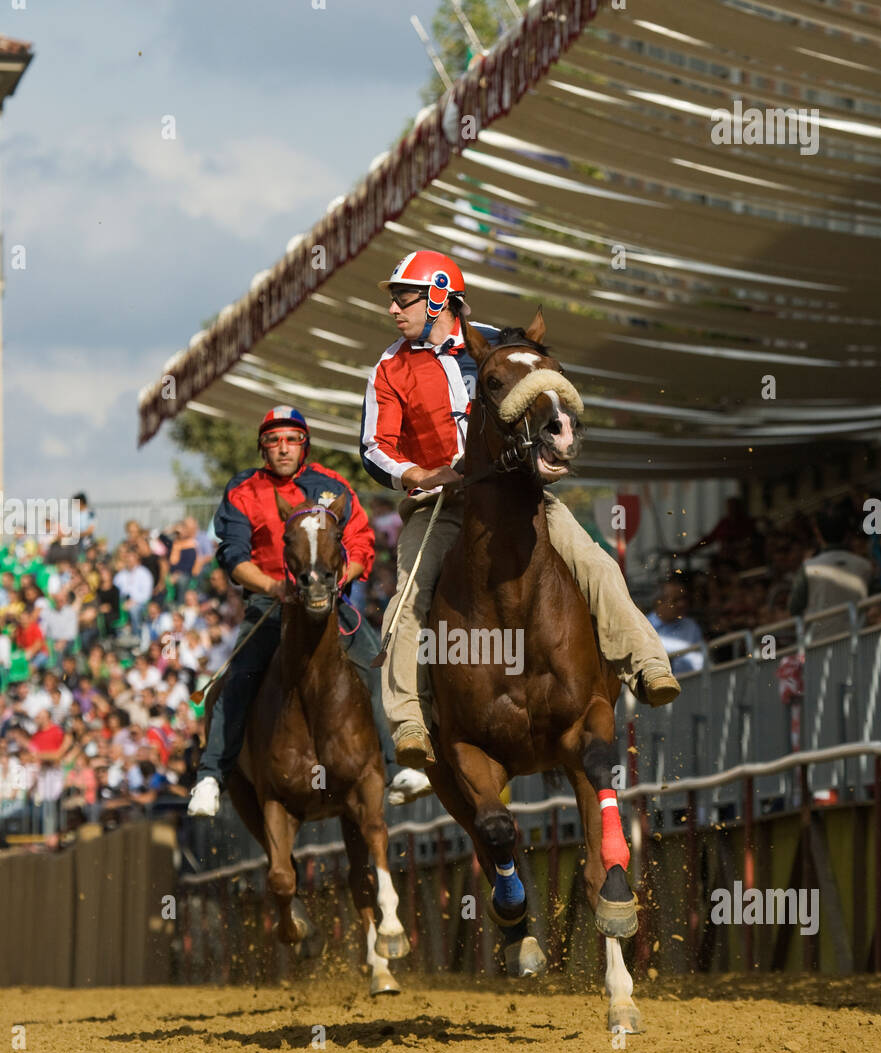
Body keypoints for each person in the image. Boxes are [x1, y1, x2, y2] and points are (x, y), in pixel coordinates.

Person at [359, 248, 680, 768]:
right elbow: (374, 447)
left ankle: (647, 663)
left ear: (440, 295)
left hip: (519, 494)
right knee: (407, 601)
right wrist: (418, 474)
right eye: (395, 301)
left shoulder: (503, 348)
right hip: (442, 506)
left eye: (405, 298)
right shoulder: (390, 367)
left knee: (596, 562)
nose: (395, 310)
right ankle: (410, 719)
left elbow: (546, 399)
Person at [187, 406, 431, 817]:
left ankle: (397, 768)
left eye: (291, 439)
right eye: (273, 441)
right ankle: (210, 778)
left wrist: (340, 579)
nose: (282, 448)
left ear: (305, 444)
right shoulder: (243, 489)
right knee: (238, 679)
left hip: (330, 602)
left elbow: (360, 545)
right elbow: (232, 555)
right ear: (263, 448)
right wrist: (273, 587)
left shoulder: (332, 486)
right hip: (271, 602)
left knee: (377, 666)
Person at [789, 507, 872, 642]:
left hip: (819, 643)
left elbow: (794, 608)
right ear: (847, 533)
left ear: (818, 534)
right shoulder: (864, 565)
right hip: (857, 640)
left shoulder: (808, 567)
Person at [647, 579, 705, 674]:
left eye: (683, 599)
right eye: (675, 600)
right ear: (660, 602)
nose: (682, 604)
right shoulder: (643, 628)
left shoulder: (691, 626)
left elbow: (701, 660)